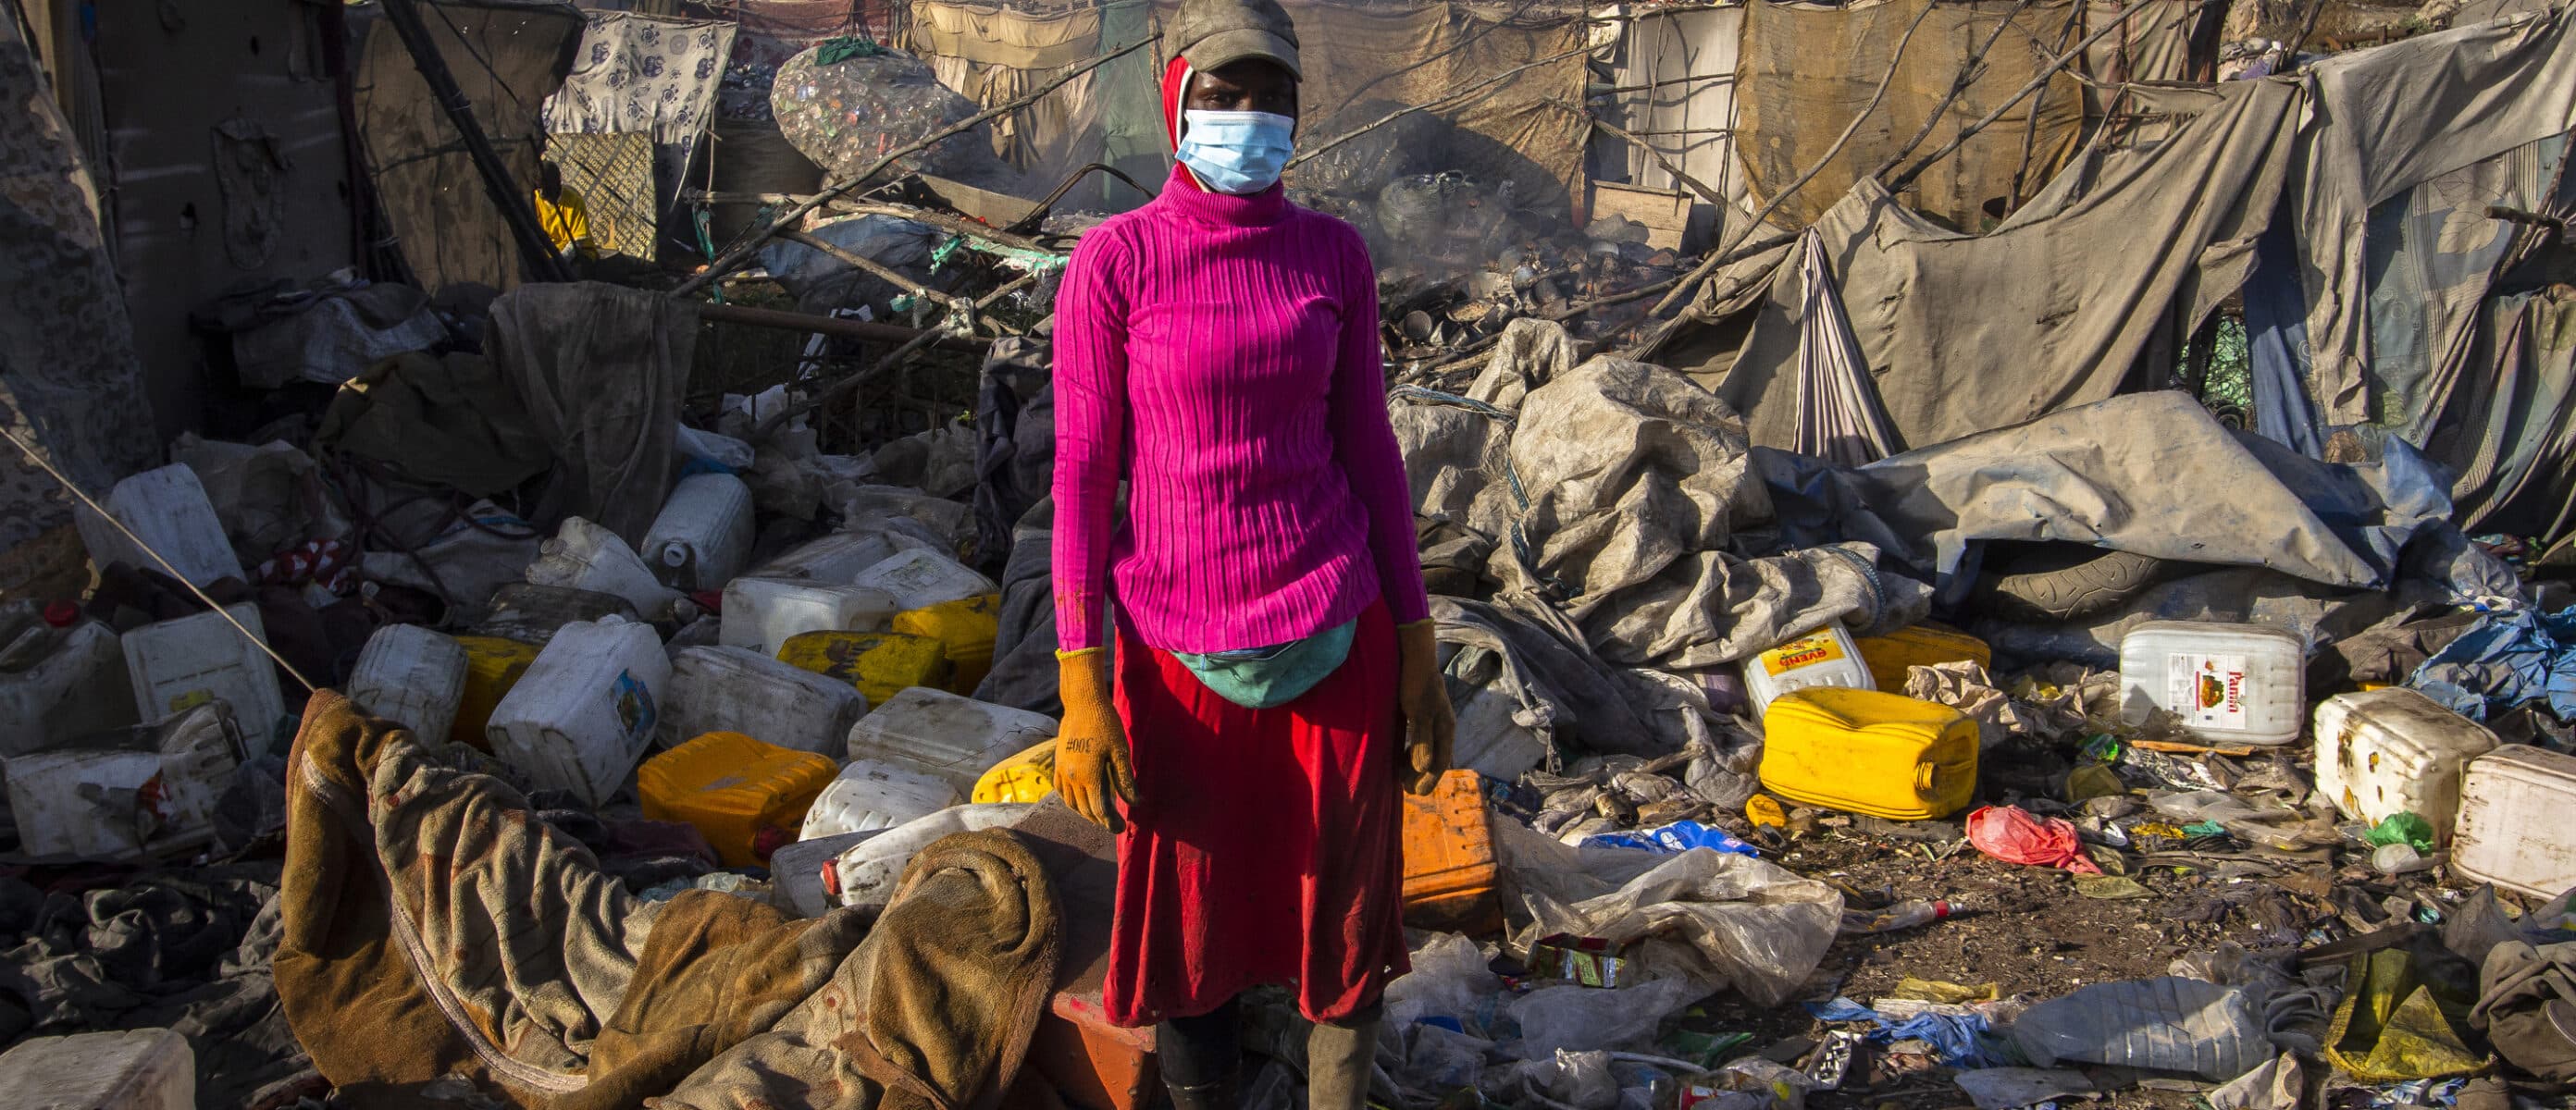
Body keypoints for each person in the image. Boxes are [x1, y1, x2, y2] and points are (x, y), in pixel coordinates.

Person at [1047, 0, 1455, 1105]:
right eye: (1222, 96)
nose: (1248, 117)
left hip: (1338, 629)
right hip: (1176, 660)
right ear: (1175, 102)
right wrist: (1081, 691)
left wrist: (1419, 649)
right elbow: (1084, 481)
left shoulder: (1332, 253)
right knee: (1192, 919)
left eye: (1270, 96)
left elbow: (1371, 453)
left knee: (1347, 910)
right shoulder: (1113, 262)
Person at [532, 160, 596, 261]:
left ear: (558, 183)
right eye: (539, 188)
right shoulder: (534, 200)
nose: (542, 194)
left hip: (578, 253)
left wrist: (559, 263)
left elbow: (577, 242)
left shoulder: (574, 201)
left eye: (546, 188)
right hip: (549, 256)